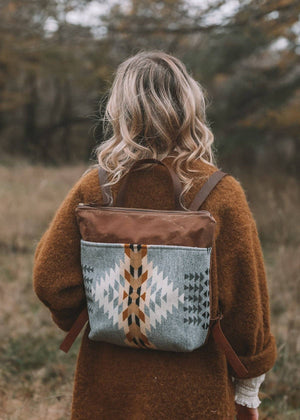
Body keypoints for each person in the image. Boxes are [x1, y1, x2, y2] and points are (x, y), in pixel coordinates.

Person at [33, 50, 277, 420]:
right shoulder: (220, 194)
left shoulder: (95, 187)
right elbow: (247, 307)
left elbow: (51, 281)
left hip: (107, 387)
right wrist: (248, 389)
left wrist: (108, 315)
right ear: (189, 106)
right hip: (197, 394)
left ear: (121, 110)